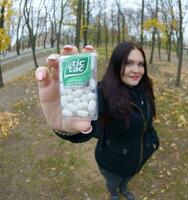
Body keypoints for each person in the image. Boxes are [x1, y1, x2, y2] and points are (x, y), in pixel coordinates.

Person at [35, 41, 160, 200]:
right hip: (111, 164)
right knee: (113, 183)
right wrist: (69, 126)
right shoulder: (102, 93)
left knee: (126, 180)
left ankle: (124, 188)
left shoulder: (145, 87)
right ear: (116, 65)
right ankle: (114, 194)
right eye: (128, 63)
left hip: (138, 159)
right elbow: (91, 126)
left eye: (141, 64)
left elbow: (147, 123)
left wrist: (153, 142)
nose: (136, 70)